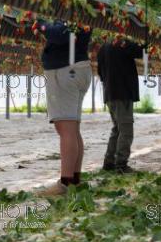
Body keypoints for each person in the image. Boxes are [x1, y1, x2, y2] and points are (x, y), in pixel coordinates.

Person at [39, 20, 92, 194]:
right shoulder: (85, 11)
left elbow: (58, 34)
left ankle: (65, 183)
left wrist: (40, 24)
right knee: (73, 128)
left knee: (66, 129)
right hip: (78, 69)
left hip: (65, 71)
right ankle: (74, 181)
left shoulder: (73, 8)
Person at [97, 39, 145, 173]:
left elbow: (100, 72)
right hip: (122, 93)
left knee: (117, 128)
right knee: (126, 129)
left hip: (110, 93)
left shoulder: (103, 47)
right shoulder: (123, 43)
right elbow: (141, 51)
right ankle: (121, 165)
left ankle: (109, 162)